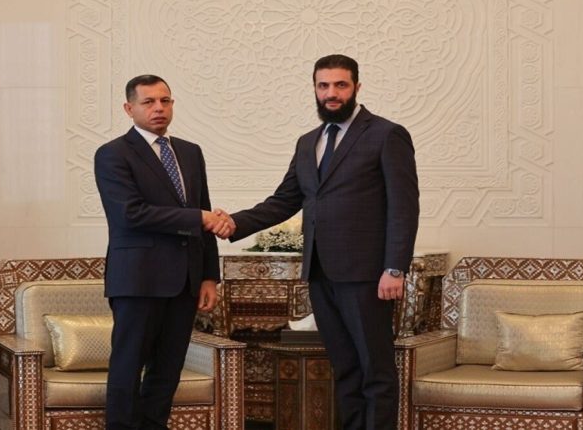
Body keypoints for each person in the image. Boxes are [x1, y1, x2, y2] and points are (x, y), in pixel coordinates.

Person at [222, 54, 419, 430]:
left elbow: (404, 207)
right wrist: (233, 223)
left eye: (340, 85)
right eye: (323, 85)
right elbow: (284, 201)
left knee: (375, 370)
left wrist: (395, 268)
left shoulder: (386, 134)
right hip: (320, 273)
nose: (331, 93)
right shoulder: (307, 142)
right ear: (314, 88)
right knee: (344, 368)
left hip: (368, 276)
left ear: (356, 87)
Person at [94, 74, 232, 430]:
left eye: (165, 101)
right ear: (129, 109)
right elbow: (131, 213)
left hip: (185, 281)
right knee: (127, 368)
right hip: (138, 279)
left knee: (167, 371)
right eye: (149, 102)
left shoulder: (189, 152)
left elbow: (204, 211)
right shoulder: (112, 154)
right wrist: (198, 217)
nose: (159, 108)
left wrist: (209, 276)